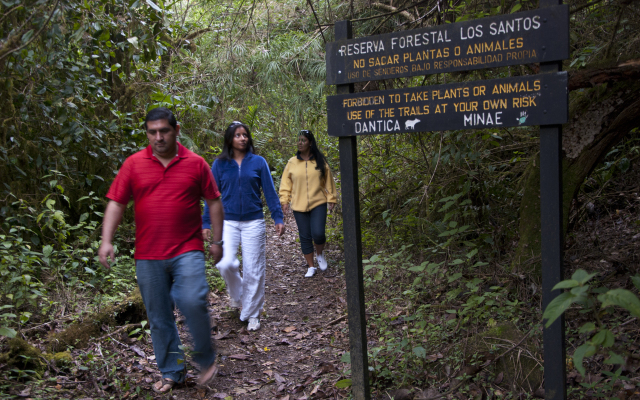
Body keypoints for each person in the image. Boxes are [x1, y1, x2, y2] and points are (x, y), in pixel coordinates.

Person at [98, 107, 223, 393]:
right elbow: (117, 202)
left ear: (176, 130)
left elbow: (214, 201)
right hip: (147, 255)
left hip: (187, 250)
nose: (158, 137)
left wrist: (217, 241)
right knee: (158, 317)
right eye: (152, 132)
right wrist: (107, 240)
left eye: (164, 131)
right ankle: (173, 372)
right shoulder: (133, 164)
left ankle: (205, 359)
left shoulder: (196, 163)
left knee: (192, 299)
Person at [202, 121, 284, 332]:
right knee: (225, 263)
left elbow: (269, 191)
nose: (242, 138)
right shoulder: (219, 164)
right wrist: (206, 222)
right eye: (237, 135)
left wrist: (278, 217)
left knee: (253, 270)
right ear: (230, 139)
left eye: (245, 135)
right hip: (227, 221)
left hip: (253, 222)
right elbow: (211, 196)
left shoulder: (258, 162)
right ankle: (238, 296)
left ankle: (252, 313)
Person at [279, 130, 337, 278]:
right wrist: (284, 200)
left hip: (318, 202)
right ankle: (311, 266)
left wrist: (331, 198)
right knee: (304, 236)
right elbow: (286, 183)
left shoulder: (319, 161)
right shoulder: (292, 162)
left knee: (318, 233)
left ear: (310, 142)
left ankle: (320, 253)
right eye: (298, 140)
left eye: (303, 140)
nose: (300, 142)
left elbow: (328, 180)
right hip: (299, 205)